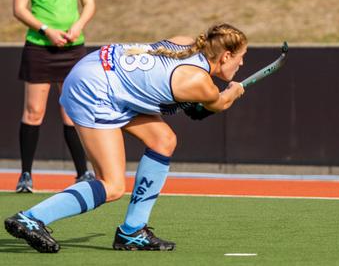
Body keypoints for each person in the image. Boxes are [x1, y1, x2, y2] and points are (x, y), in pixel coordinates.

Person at [4, 23, 248, 253]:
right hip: (95, 89)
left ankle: (132, 231)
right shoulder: (200, 82)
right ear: (226, 56)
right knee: (112, 186)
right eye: (240, 57)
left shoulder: (186, 43)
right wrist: (233, 93)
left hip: (98, 68)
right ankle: (32, 218)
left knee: (163, 140)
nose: (242, 63)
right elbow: (216, 103)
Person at [12, 0, 96, 193]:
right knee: (34, 111)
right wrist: (46, 30)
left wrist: (77, 27)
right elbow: (19, 8)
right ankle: (25, 175)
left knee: (71, 111)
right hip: (40, 47)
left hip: (72, 48)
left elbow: (89, 3)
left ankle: (82, 173)